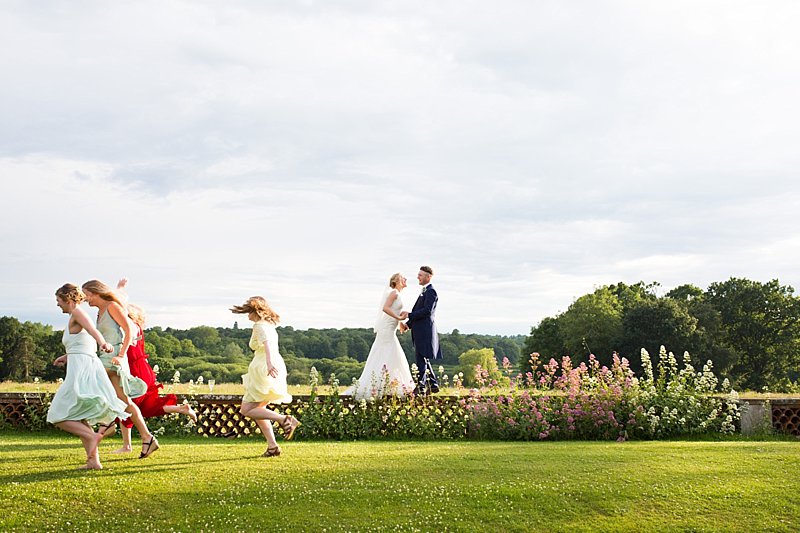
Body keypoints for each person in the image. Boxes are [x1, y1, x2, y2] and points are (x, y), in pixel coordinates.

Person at [46, 283, 130, 470]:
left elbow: (93, 331)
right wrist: (66, 357)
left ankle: (93, 437)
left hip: (82, 369)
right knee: (80, 416)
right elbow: (84, 343)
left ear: (67, 299)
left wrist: (103, 343)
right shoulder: (73, 317)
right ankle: (93, 462)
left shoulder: (78, 313)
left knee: (57, 414)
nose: (57, 304)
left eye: (58, 300)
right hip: (78, 364)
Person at [82, 279, 159, 459]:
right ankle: (147, 438)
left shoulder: (112, 307)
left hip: (114, 358)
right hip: (104, 357)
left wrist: (122, 354)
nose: (86, 300)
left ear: (96, 292)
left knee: (90, 386)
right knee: (124, 401)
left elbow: (128, 331)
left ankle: (106, 423)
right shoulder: (100, 311)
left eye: (87, 295)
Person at [110, 302, 198, 454]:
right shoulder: (135, 327)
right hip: (141, 368)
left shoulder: (130, 326)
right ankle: (181, 409)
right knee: (144, 406)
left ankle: (127, 445)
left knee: (126, 404)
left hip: (136, 369)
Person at [231, 296, 300, 457]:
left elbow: (267, 344)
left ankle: (285, 420)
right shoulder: (269, 325)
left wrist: (268, 363)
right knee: (258, 410)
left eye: (248, 311)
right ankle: (272, 447)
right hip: (273, 364)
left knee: (246, 409)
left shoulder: (259, 326)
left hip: (263, 367)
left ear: (255, 311)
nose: (247, 315)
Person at [344, 273, 414, 399]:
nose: (406, 279)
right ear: (397, 281)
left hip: (390, 328)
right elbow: (385, 308)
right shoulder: (394, 293)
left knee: (389, 354)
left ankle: (387, 386)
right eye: (403, 277)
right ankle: (381, 386)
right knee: (389, 353)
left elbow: (392, 311)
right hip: (386, 329)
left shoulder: (397, 294)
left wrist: (401, 324)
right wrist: (399, 317)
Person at [401, 266, 442, 394]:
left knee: (421, 359)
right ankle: (433, 384)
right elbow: (419, 312)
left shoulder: (431, 291)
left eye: (420, 275)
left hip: (425, 331)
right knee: (422, 357)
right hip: (420, 330)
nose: (418, 277)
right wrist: (408, 324)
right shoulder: (425, 291)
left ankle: (421, 387)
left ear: (428, 277)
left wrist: (409, 315)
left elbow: (427, 311)